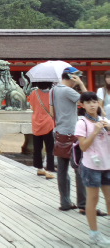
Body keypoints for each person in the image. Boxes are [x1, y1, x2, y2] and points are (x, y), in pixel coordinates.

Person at [50, 66, 99, 214]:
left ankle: (65, 202)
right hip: (72, 132)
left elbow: (52, 111)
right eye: (78, 77)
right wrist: (82, 85)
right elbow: (89, 101)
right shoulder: (68, 91)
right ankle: (83, 204)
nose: (79, 80)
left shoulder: (53, 90)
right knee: (79, 168)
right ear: (72, 77)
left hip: (59, 131)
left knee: (62, 170)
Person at [75, 91, 110, 246]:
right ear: (82, 105)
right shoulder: (82, 123)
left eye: (94, 101)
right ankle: (94, 233)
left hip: (107, 165)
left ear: (98, 103)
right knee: (93, 199)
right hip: (91, 167)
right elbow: (83, 146)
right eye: (88, 102)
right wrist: (95, 132)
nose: (92, 105)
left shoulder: (104, 120)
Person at [27, 81, 56, 179]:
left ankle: (39, 168)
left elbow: (31, 106)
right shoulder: (52, 94)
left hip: (36, 122)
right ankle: (49, 169)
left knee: (37, 147)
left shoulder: (34, 93)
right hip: (48, 122)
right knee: (50, 148)